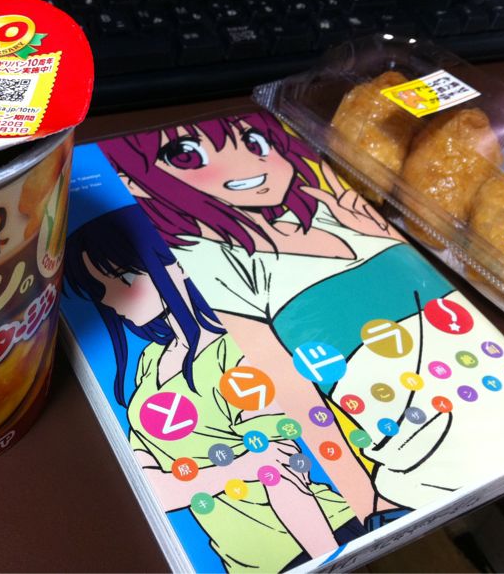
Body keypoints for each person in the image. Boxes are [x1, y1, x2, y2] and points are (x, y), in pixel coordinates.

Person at [97, 112, 504, 514]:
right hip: (423, 450)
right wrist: (362, 498)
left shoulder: (335, 210)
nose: (249, 164)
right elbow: (289, 385)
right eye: (187, 156)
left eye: (255, 143)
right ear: (137, 182)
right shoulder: (221, 265)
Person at [65, 205, 364, 572]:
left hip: (311, 546)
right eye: (100, 289)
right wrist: (240, 468)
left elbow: (283, 475)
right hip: (243, 562)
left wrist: (325, 559)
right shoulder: (150, 363)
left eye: (125, 276)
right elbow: (153, 485)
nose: (111, 300)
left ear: (178, 263)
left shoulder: (233, 355)